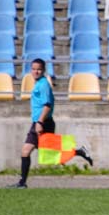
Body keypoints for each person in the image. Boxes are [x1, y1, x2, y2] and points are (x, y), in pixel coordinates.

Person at [7, 58, 92, 189]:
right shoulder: (40, 83)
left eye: (39, 69)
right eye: (34, 69)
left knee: (38, 151)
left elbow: (47, 105)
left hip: (43, 122)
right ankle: (80, 152)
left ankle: (22, 183)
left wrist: (40, 122)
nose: (36, 71)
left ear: (43, 70)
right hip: (39, 122)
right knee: (38, 151)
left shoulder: (43, 84)